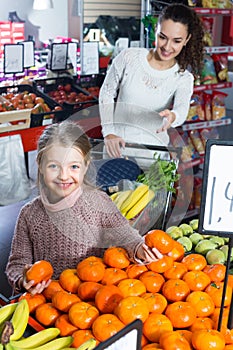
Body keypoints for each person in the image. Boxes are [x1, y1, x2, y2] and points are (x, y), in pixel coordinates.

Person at [5, 121, 162, 296]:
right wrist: (23, 279)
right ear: (40, 166)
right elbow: (17, 264)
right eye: (54, 166)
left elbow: (125, 235)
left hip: (93, 299)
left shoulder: (98, 203)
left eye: (74, 166)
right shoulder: (29, 214)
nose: (64, 176)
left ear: (85, 166)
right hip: (48, 303)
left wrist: (140, 249)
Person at [99, 3, 205, 160]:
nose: (167, 47)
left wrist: (173, 116)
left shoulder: (183, 77)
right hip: (117, 151)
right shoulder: (128, 57)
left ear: (187, 40)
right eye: (163, 37)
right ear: (156, 31)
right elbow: (106, 93)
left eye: (176, 41)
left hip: (154, 157)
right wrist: (108, 132)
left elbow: (181, 110)